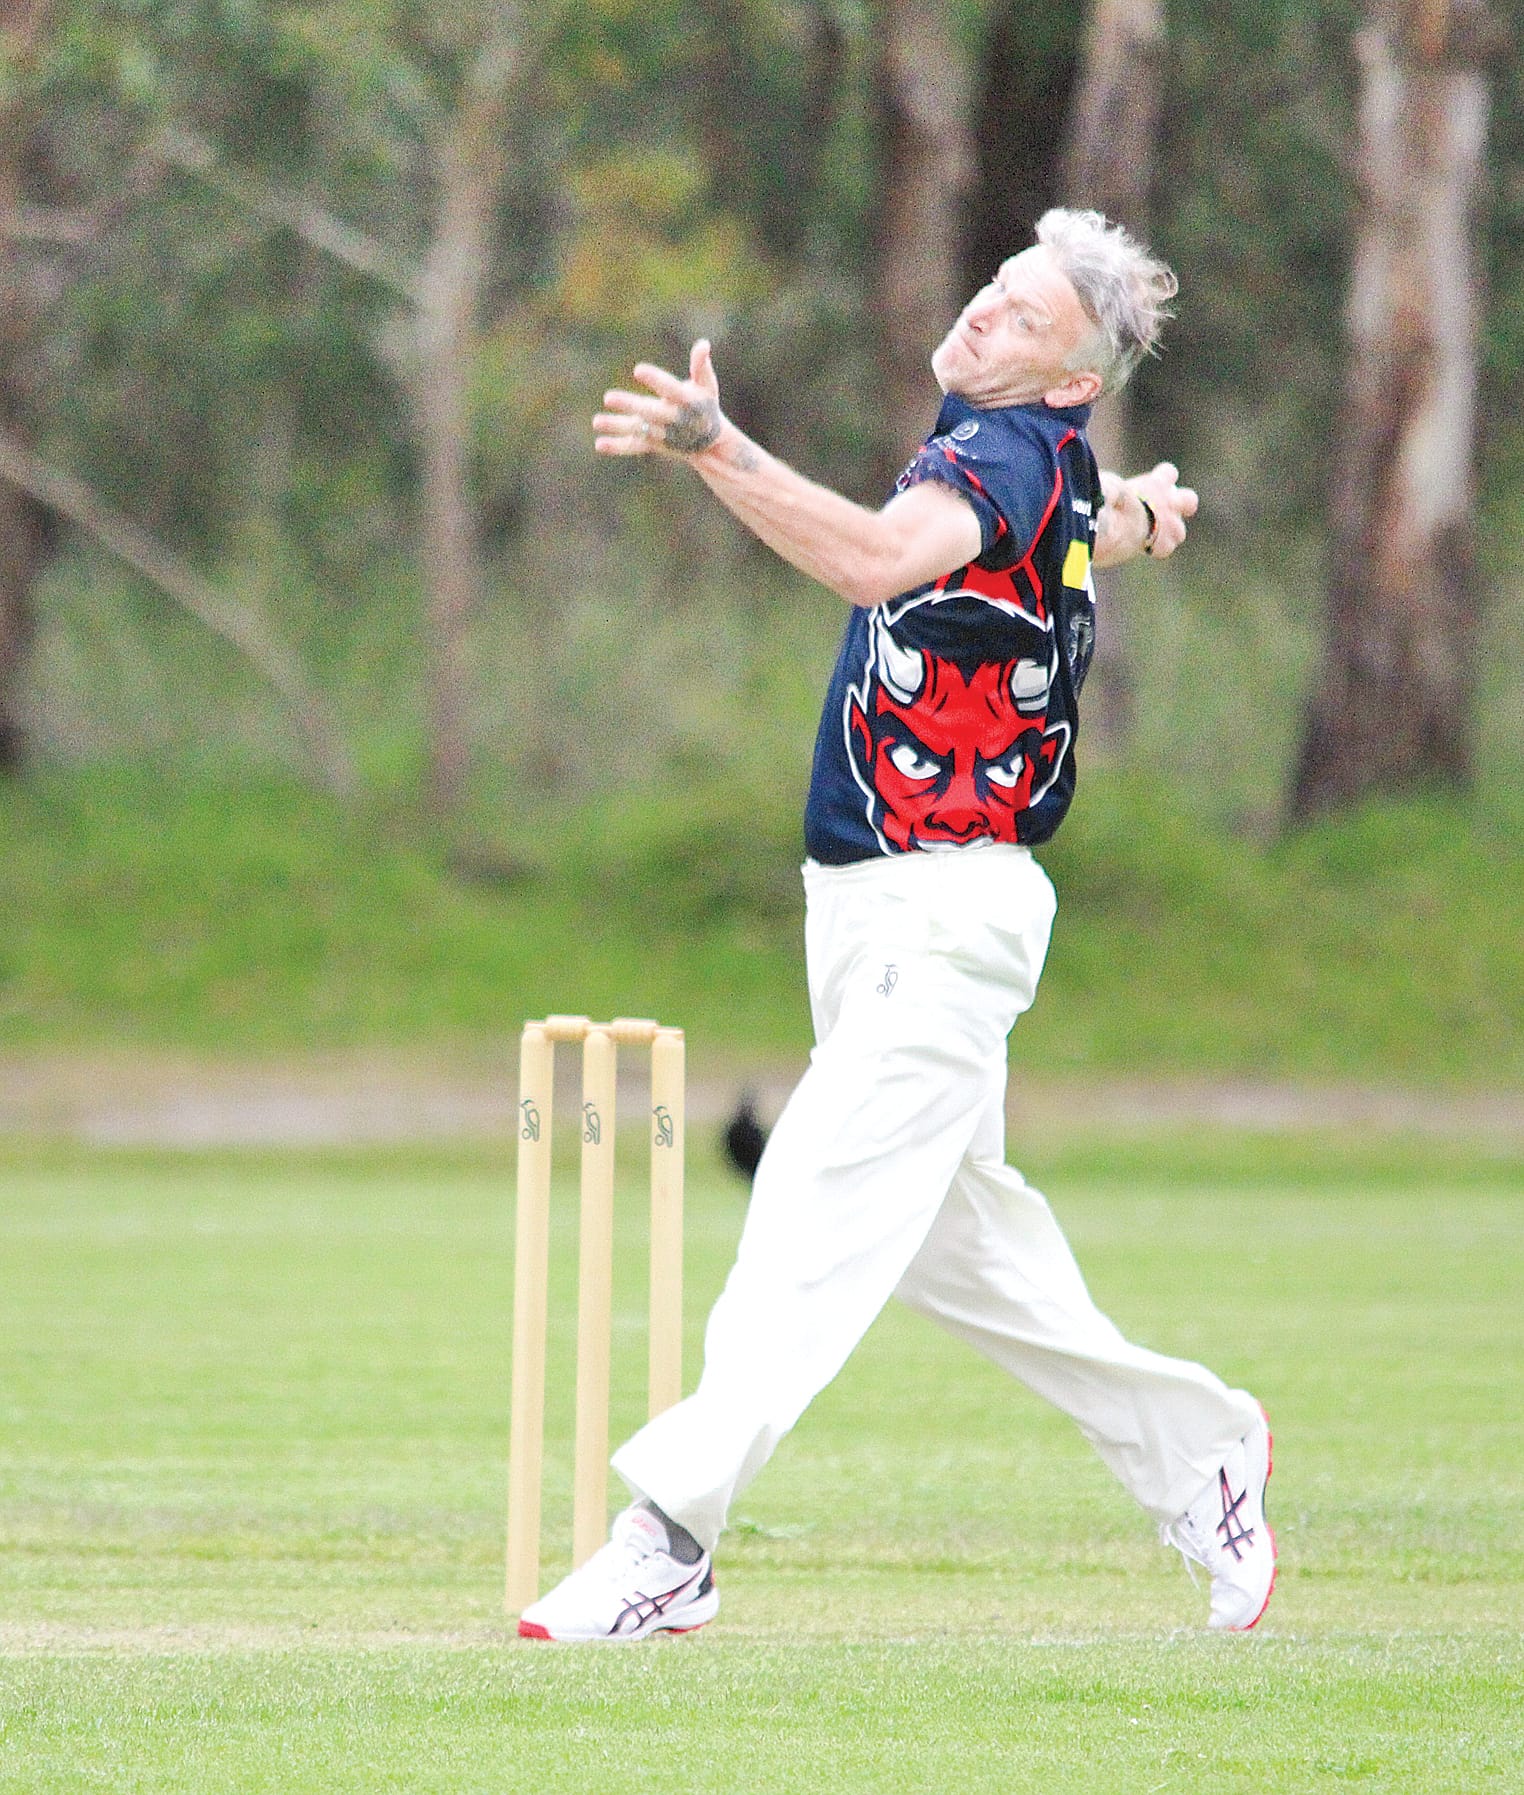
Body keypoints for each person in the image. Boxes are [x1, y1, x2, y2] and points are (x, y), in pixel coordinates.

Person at [519, 207, 1274, 1644]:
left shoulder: (995, 454)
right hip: (869, 908)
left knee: (810, 1199)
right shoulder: (1037, 460)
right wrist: (1147, 519)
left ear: (1070, 382)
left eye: (1028, 317)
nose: (987, 312)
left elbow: (879, 560)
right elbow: (1078, 529)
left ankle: (668, 1541)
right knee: (966, 1252)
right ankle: (1206, 1449)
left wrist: (716, 449)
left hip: (953, 914)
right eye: (996, 285)